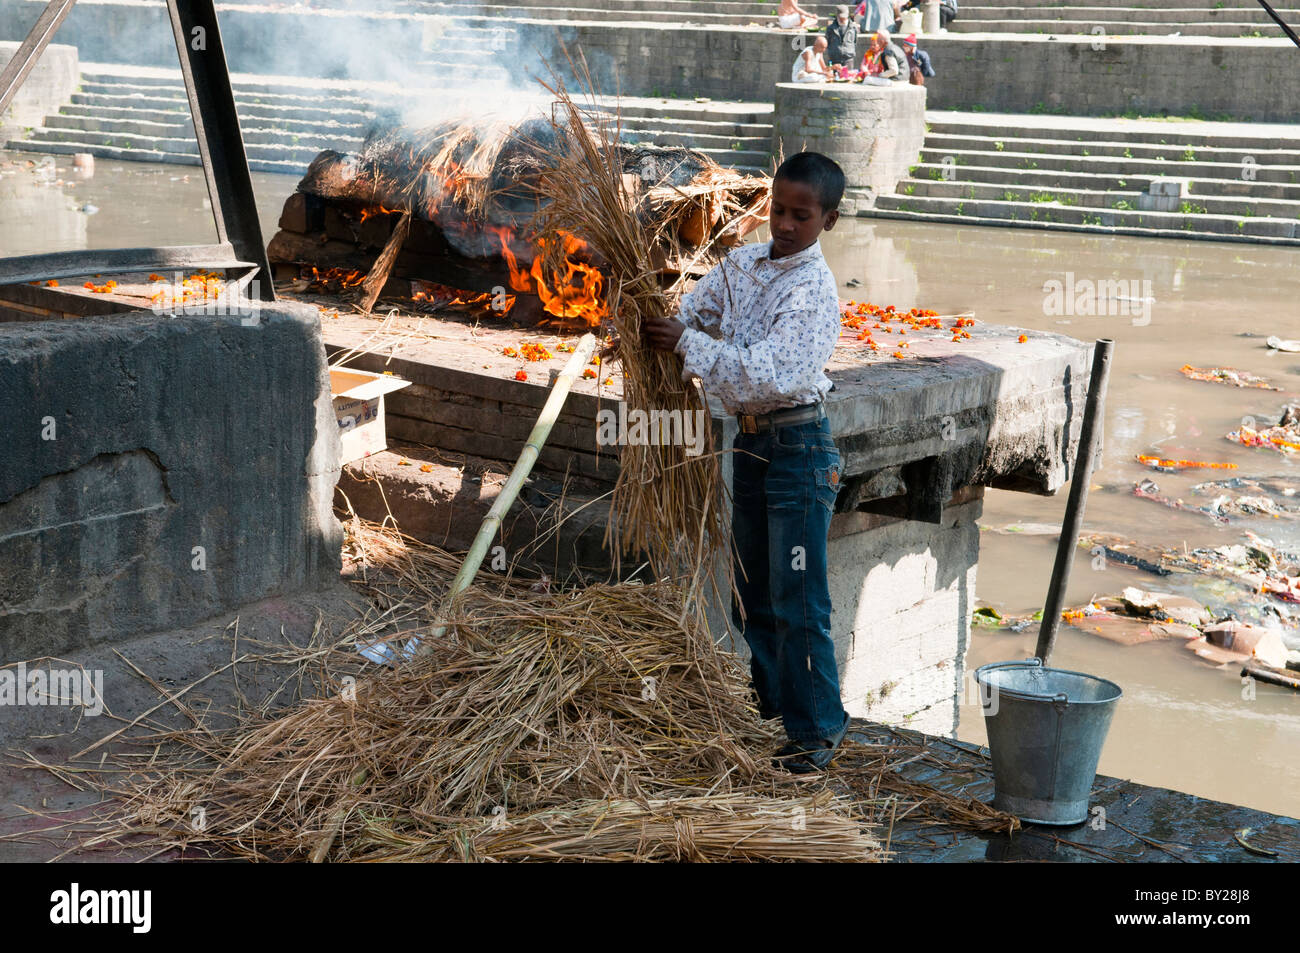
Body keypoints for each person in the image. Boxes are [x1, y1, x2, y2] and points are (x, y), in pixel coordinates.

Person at [640, 153, 851, 773]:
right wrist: (656, 318)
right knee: (751, 594)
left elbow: (769, 373)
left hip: (799, 451)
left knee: (798, 599)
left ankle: (816, 734)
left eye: (801, 216)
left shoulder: (814, 292)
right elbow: (696, 311)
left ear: (828, 221)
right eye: (779, 211)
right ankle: (772, 717)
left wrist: (689, 345)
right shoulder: (741, 263)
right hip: (751, 447)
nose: (785, 225)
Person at [893, 0, 957, 31]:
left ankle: (943, 28)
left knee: (941, 9)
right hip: (934, 11)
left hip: (948, 10)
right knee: (913, 5)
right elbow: (911, 3)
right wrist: (904, 7)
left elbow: (943, 3)